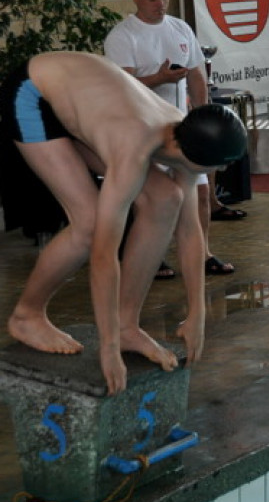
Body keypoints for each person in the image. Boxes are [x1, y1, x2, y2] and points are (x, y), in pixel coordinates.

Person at [0, 51, 248, 395]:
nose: (205, 177)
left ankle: (128, 323)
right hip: (35, 92)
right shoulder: (132, 149)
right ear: (194, 157)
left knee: (167, 199)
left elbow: (191, 232)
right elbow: (104, 255)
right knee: (88, 225)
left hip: (85, 98)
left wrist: (198, 314)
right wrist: (108, 347)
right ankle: (26, 315)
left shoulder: (184, 130)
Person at [104, 0, 235, 278]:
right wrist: (159, 78)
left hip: (182, 128)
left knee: (200, 192)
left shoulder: (179, 28)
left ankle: (203, 253)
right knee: (153, 199)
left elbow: (196, 75)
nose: (159, 4)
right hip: (144, 129)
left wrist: (203, 117)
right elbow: (124, 87)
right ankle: (153, 255)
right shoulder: (122, 36)